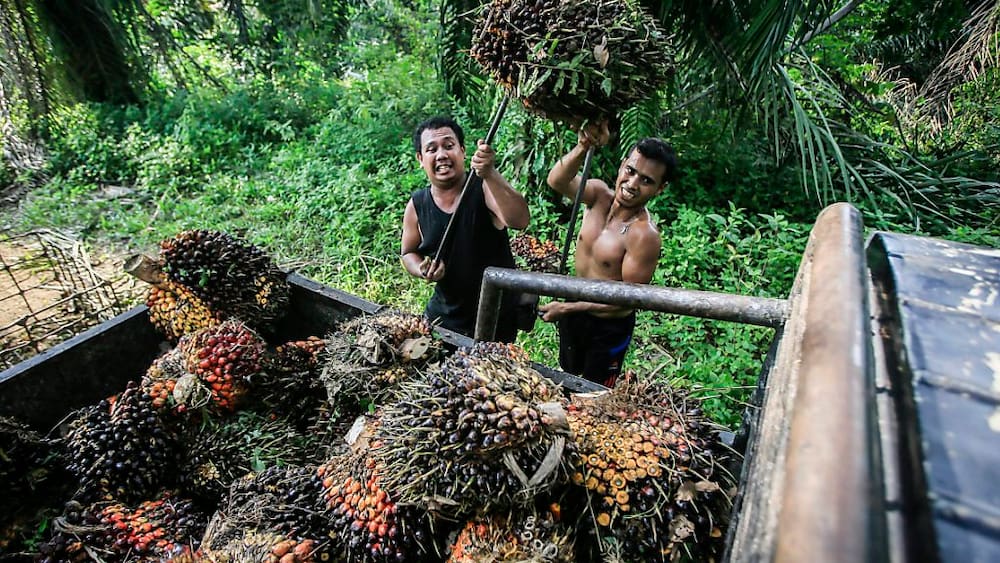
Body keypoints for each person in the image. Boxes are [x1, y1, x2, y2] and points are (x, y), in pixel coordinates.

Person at [538, 120, 678, 387]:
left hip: (606, 328)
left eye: (646, 180)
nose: (633, 183)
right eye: (631, 170)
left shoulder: (643, 235)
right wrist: (583, 146)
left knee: (594, 392)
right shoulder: (598, 196)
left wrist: (568, 306)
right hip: (572, 310)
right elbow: (557, 180)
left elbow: (626, 301)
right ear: (622, 165)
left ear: (660, 189)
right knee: (567, 374)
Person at [400, 116, 530, 342]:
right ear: (421, 159)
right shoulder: (417, 205)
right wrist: (421, 269)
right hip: (443, 320)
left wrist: (490, 173)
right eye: (431, 149)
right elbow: (408, 252)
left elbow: (520, 220)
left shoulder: (484, 188)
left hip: (493, 321)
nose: (441, 155)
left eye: (449, 146)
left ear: (462, 151)